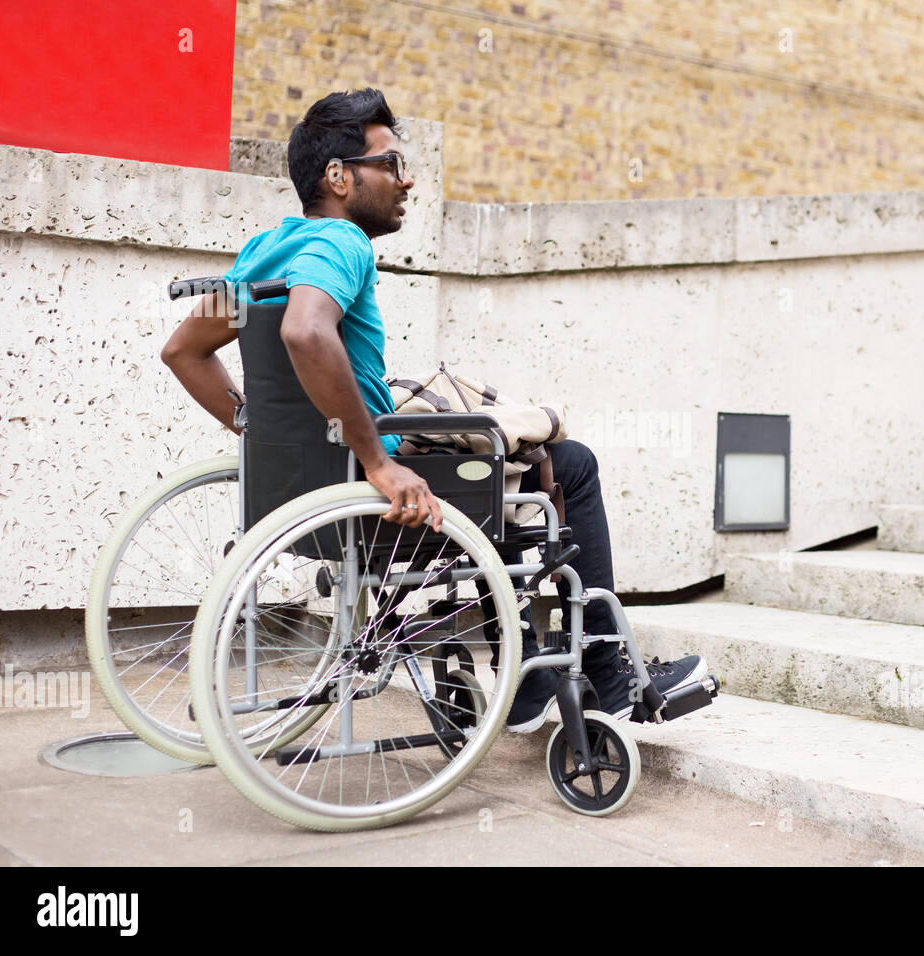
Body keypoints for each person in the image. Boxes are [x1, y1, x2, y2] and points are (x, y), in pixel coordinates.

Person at [161, 88, 704, 732]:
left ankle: (526, 678)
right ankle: (608, 677)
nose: (407, 179)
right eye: (390, 163)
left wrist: (264, 431)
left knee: (490, 467)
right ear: (338, 176)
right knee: (566, 466)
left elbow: (184, 351)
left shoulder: (261, 253)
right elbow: (306, 331)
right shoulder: (343, 243)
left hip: (299, 501)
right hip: (377, 503)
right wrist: (376, 462)